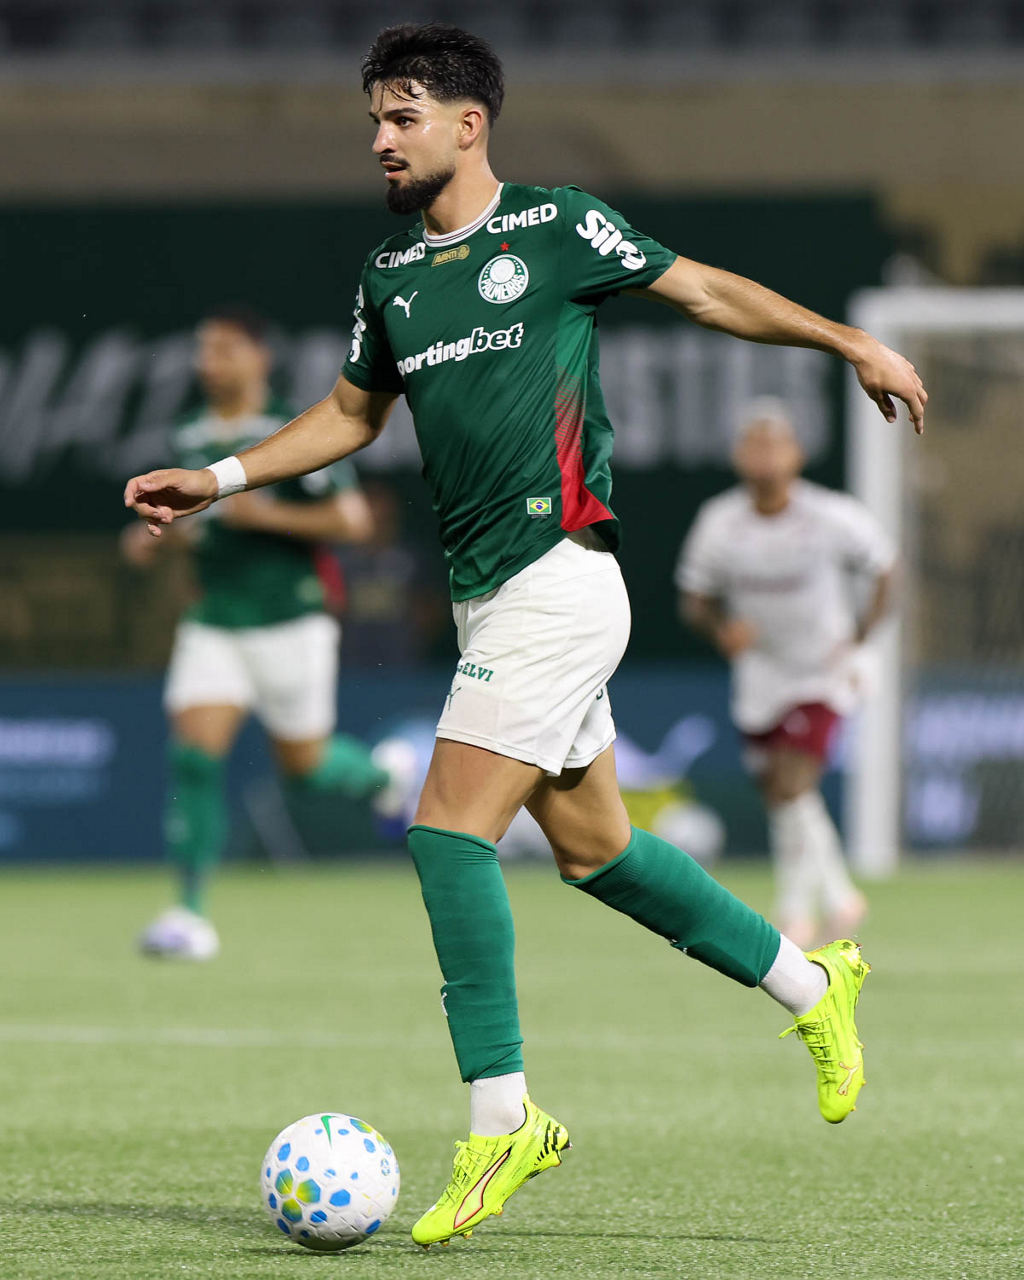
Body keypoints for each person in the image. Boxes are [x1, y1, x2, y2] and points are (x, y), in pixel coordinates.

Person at [123, 25, 927, 1247]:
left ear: (469, 123)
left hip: (560, 576)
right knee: (598, 850)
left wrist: (850, 340)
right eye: (374, 118)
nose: (380, 138)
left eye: (402, 116)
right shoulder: (391, 276)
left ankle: (503, 1118)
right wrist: (221, 475)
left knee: (447, 830)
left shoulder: (556, 227)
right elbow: (349, 414)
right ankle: (812, 981)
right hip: (487, 598)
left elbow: (705, 291)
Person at [122, 306, 397, 960]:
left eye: (223, 349)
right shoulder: (190, 432)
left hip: (290, 618)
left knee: (306, 769)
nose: (208, 362)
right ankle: (188, 914)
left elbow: (354, 521)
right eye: (203, 349)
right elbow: (201, 524)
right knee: (194, 758)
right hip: (215, 619)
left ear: (259, 357)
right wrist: (155, 537)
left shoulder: (293, 429)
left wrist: (267, 516)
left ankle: (382, 776)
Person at [677, 399, 897, 949]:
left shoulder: (830, 514)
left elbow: (886, 568)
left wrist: (861, 636)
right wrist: (722, 629)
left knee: (794, 783)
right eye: (754, 444)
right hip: (761, 674)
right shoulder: (719, 521)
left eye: (775, 444)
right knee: (779, 793)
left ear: (796, 454)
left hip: (822, 669)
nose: (765, 456)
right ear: (738, 455)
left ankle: (795, 911)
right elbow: (695, 598)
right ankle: (841, 896)